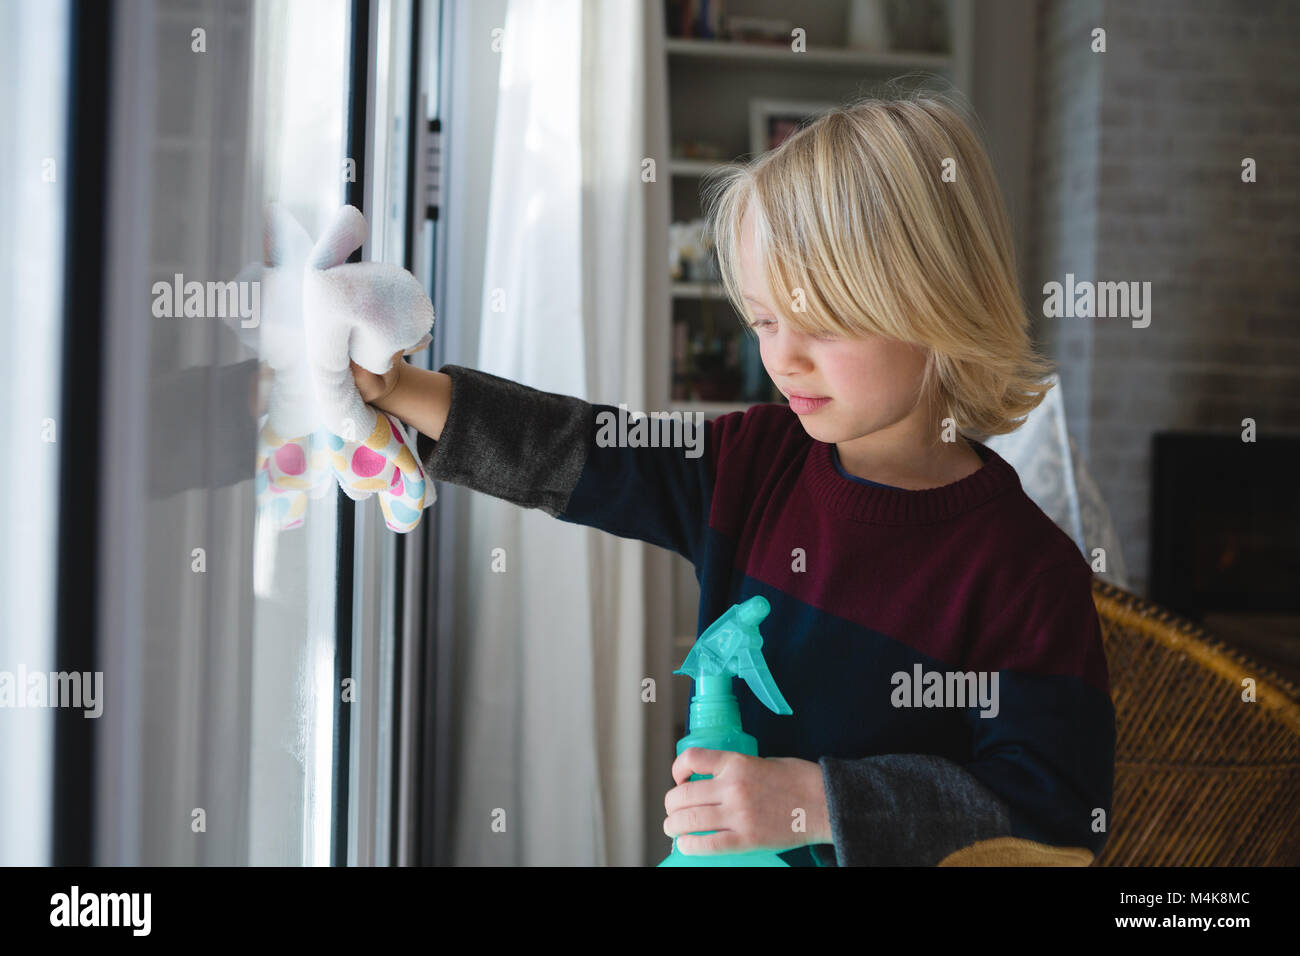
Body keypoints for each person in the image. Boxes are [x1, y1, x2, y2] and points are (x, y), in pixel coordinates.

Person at [350, 92, 1115, 867]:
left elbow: (1054, 818)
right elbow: (576, 450)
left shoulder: (1027, 573)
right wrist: (396, 389)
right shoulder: (752, 463)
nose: (782, 359)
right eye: (764, 320)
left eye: (823, 319)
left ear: (938, 301)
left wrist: (815, 803)